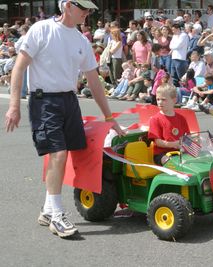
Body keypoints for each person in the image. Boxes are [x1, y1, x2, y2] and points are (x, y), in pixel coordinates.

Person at [4, 0, 124, 238]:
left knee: (66, 153)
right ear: (68, 6)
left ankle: (49, 209)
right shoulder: (42, 29)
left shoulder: (81, 40)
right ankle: (57, 216)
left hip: (69, 101)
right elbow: (19, 67)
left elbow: (93, 81)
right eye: (84, 8)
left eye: (90, 9)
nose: (88, 13)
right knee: (58, 153)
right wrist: (14, 105)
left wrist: (109, 116)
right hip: (44, 101)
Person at [148, 84, 190, 165]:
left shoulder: (181, 118)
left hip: (179, 152)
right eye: (158, 99)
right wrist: (174, 144)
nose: (160, 102)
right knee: (172, 163)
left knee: (197, 161)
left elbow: (188, 137)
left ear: (174, 100)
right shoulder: (155, 119)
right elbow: (158, 142)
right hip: (162, 154)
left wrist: (193, 141)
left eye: (164, 99)